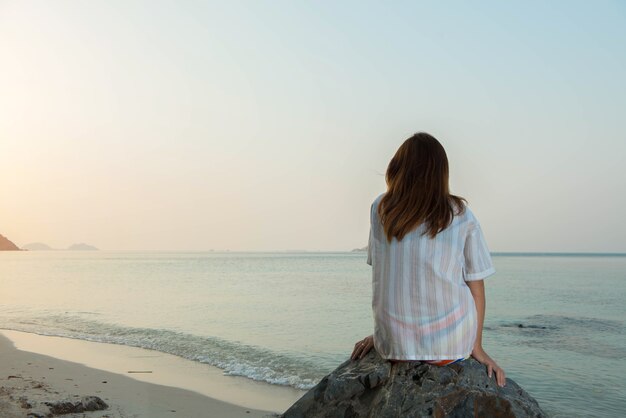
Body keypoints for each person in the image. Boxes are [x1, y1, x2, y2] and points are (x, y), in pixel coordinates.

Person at [350, 132, 506, 387]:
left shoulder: (381, 209)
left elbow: (388, 277)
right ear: (441, 173)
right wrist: (476, 346)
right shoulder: (459, 214)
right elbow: (476, 289)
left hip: (393, 348)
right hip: (449, 349)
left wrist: (382, 336)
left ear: (397, 167)